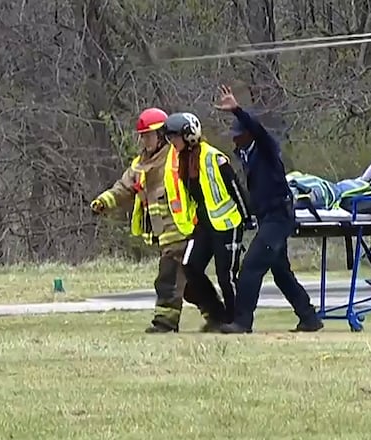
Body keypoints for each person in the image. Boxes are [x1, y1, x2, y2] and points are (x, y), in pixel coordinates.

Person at [90, 107, 226, 333]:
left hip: (182, 231)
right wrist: (104, 201)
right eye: (142, 136)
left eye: (148, 135)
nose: (144, 140)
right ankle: (218, 315)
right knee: (189, 284)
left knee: (168, 277)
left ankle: (164, 323)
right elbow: (123, 187)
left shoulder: (175, 157)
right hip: (163, 234)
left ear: (162, 134)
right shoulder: (140, 164)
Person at [213, 85, 323, 334]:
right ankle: (309, 317)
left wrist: (237, 110)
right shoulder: (246, 155)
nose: (234, 138)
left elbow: (258, 130)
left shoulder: (266, 149)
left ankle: (242, 322)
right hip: (267, 218)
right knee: (281, 271)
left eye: (238, 134)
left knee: (251, 266)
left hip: (278, 217)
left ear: (248, 134)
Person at [162, 111, 254, 331]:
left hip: (227, 224)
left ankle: (237, 320)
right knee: (190, 267)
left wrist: (248, 217)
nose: (172, 142)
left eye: (174, 137)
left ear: (188, 135)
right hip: (203, 224)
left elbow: (236, 189)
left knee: (226, 275)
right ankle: (216, 313)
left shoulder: (214, 158)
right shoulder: (184, 162)